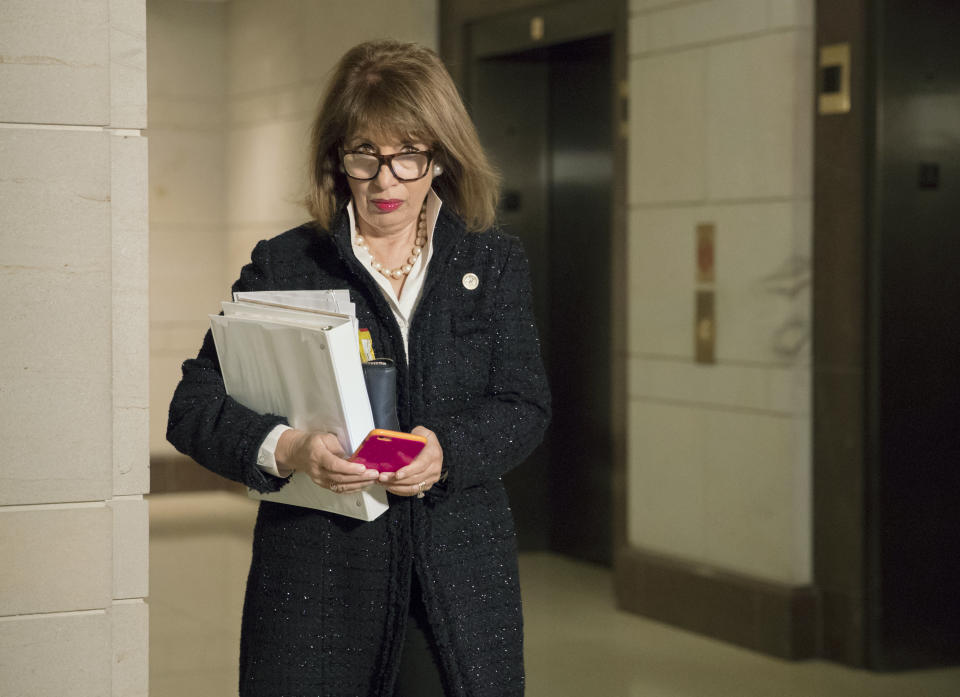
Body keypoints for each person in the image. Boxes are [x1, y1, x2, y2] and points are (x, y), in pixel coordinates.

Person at [166, 39, 550, 697]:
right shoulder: (288, 264)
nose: (385, 179)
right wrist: (287, 447)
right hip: (317, 585)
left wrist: (446, 450)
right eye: (364, 154)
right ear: (336, 158)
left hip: (457, 580)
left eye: (409, 154)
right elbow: (194, 404)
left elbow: (523, 404)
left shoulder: (491, 263)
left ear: (442, 154)